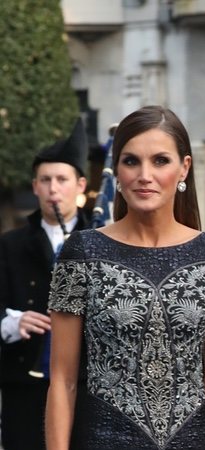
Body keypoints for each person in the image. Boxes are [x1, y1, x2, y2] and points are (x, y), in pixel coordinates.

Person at [44, 106, 205, 450]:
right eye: (131, 161)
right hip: (102, 440)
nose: (144, 175)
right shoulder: (83, 251)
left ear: (185, 167)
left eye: (160, 161)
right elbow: (62, 380)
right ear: (116, 171)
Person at [0, 119, 90, 450]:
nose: (53, 188)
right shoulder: (9, 245)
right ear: (35, 186)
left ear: (80, 185)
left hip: (85, 387)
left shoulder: (101, 242)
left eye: (62, 179)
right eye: (45, 180)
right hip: (25, 386)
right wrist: (10, 322)